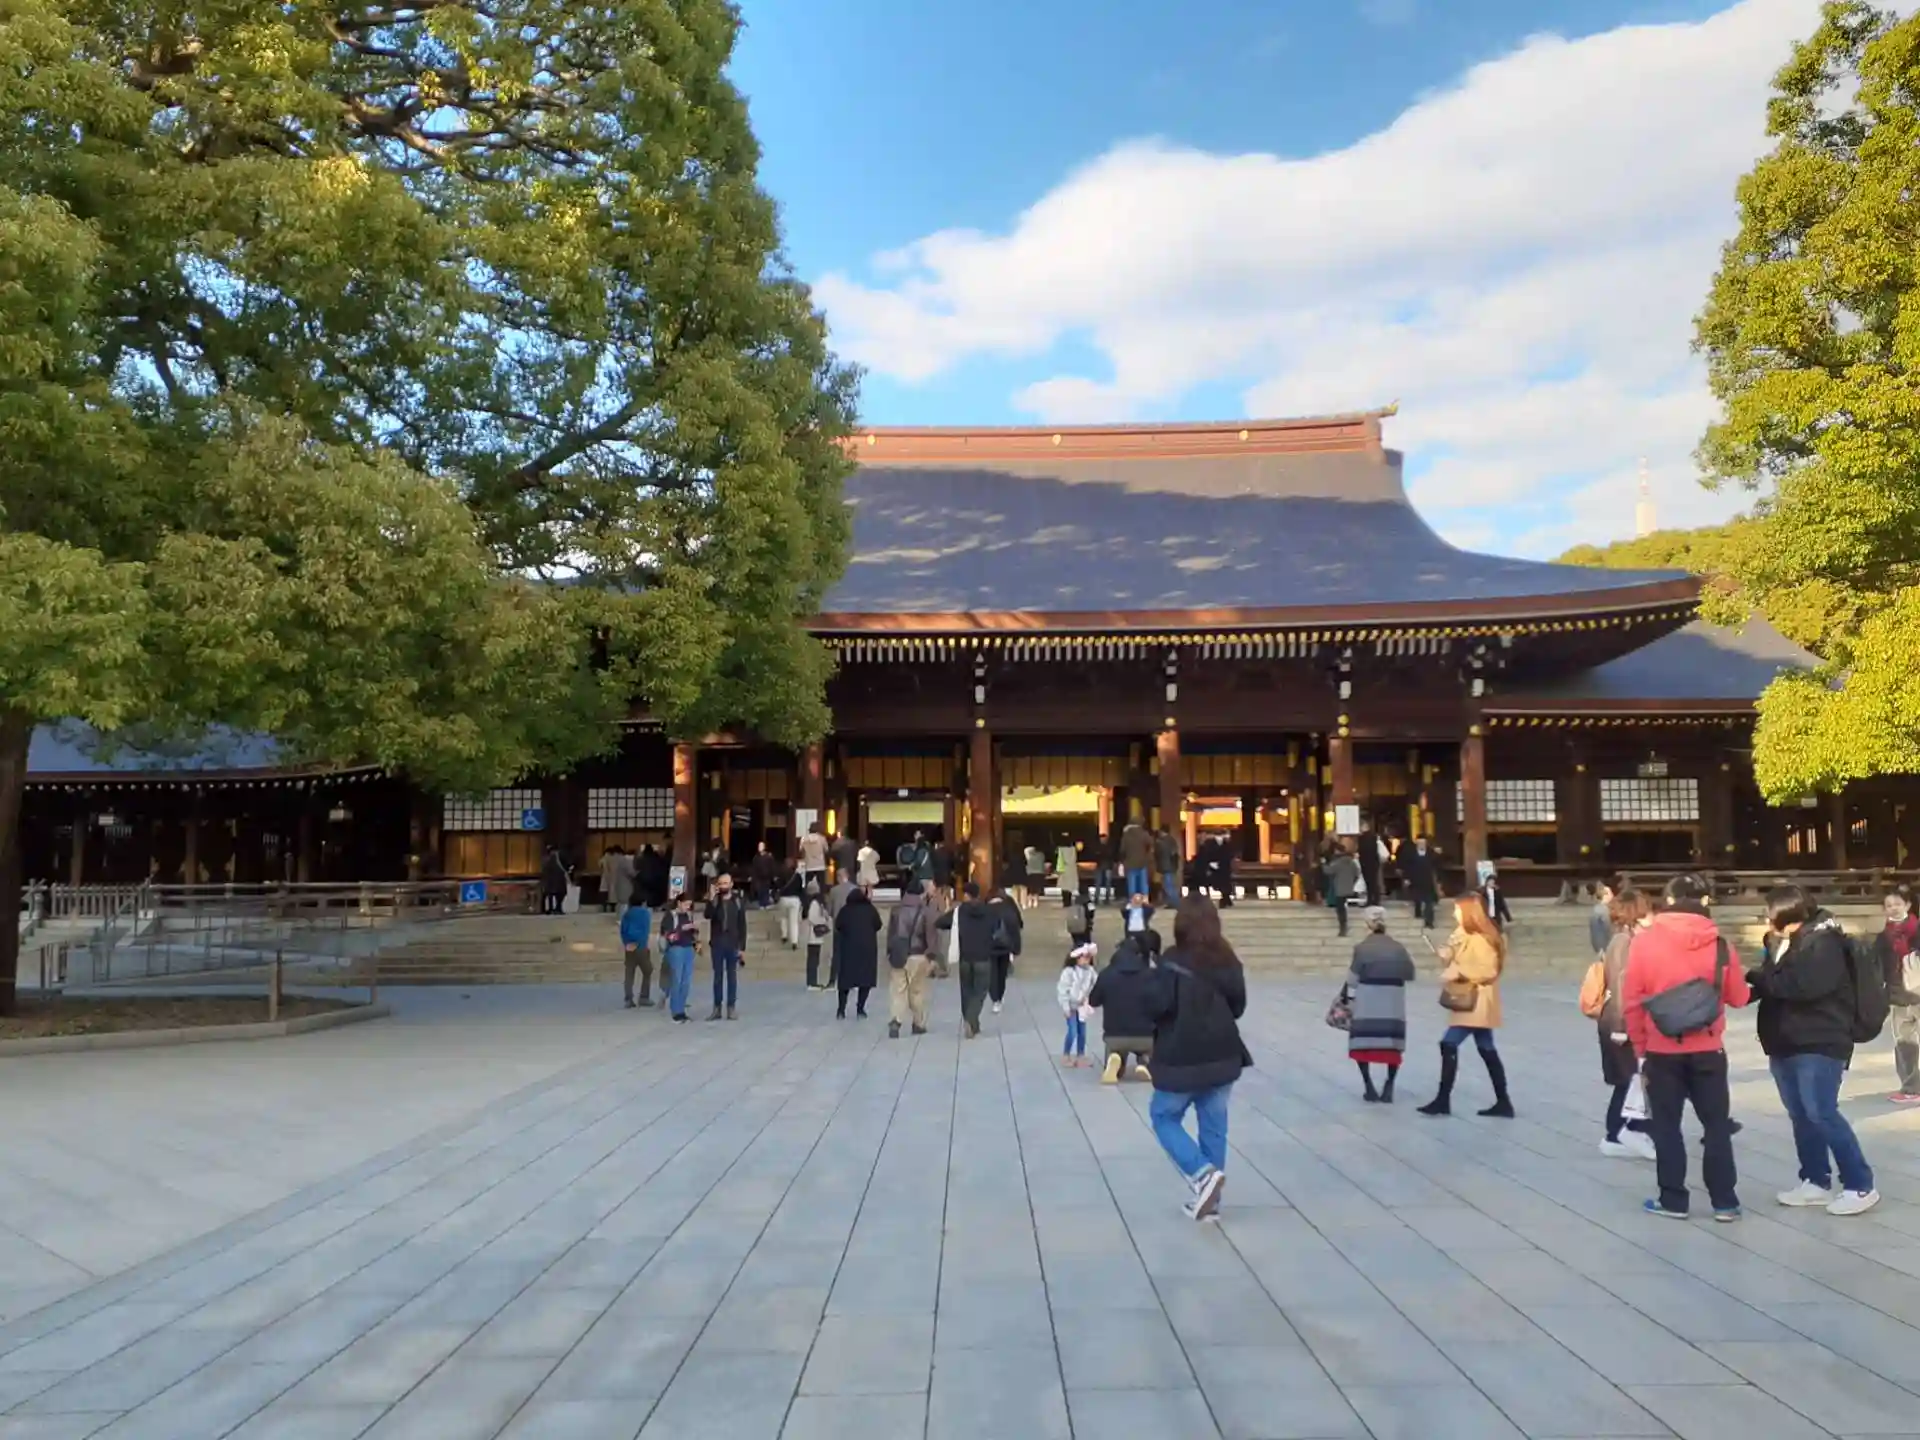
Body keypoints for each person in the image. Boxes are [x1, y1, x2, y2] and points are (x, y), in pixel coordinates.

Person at [1624, 874, 1750, 1220]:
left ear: (1667, 902)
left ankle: (1673, 1200)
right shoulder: (1720, 944)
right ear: (1704, 903)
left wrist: (1640, 1048)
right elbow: (1739, 996)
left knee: (1666, 1126)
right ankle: (1725, 1202)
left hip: (1661, 1049)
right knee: (1716, 1126)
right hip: (1709, 1048)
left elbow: (1632, 1002)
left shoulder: (1644, 943)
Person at [1748, 884, 1879, 1216]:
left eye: (1770, 914)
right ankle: (1815, 1180)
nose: (1766, 920)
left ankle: (1860, 1184)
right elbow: (1770, 981)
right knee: (1801, 1114)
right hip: (1784, 1040)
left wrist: (1753, 977)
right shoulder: (1781, 941)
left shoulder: (1824, 943)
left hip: (1820, 1040)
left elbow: (1802, 987)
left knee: (1822, 1112)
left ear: (1789, 915)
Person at [1142, 897, 1250, 1221]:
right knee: (1214, 1126)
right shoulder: (1228, 960)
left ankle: (1202, 1174)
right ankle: (1210, 1202)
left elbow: (1156, 1006)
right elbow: (1238, 1007)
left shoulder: (1171, 961)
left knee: (1163, 1115)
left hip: (1181, 1055)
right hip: (1223, 1053)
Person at [1417, 892, 1512, 1118]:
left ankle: (1443, 1100)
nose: (1455, 914)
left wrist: (1457, 971)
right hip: (1474, 999)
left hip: (1476, 998)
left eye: (1458, 910)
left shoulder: (1481, 938)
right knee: (1486, 1048)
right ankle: (1503, 1101)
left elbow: (1488, 970)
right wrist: (1447, 953)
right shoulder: (1464, 934)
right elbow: (1459, 954)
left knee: (1449, 1043)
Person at [1595, 889, 1656, 1159]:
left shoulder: (1624, 939)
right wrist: (1622, 1027)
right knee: (1632, 1078)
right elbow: (1622, 984)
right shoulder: (1624, 941)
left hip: (1621, 1019)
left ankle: (1620, 1131)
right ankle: (1621, 1132)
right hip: (1620, 1021)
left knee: (1630, 1079)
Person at [1347, 906, 1415, 1103]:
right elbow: (1410, 973)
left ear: (1367, 924)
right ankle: (1389, 1085)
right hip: (1393, 999)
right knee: (1392, 1045)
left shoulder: (1362, 948)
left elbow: (1352, 979)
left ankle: (1369, 1086)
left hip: (1368, 999)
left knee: (1362, 1044)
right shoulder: (1399, 947)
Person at [1090, 936, 1156, 1083]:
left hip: (1114, 1035)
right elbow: (1161, 1002)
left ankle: (1115, 1060)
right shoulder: (1150, 975)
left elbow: (1093, 1001)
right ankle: (1144, 1062)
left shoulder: (1106, 974)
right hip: (1145, 1035)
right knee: (1148, 1049)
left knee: (1116, 1049)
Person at [1876, 885, 1920, 1102]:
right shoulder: (1883, 937)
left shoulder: (1917, 930)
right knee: (1904, 1044)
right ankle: (1911, 1087)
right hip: (1898, 995)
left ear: (1908, 905)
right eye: (1889, 905)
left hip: (1918, 993)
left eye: (1898, 904)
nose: (1893, 908)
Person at [887, 878, 936, 1038]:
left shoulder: (896, 910)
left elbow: (891, 934)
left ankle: (896, 1020)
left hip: (899, 954)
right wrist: (932, 954)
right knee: (916, 991)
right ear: (921, 893)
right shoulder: (925, 911)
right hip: (919, 954)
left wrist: (890, 951)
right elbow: (931, 935)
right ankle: (918, 1023)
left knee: (898, 990)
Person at [951, 883, 998, 1038]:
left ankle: (971, 1022)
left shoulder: (960, 911)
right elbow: (997, 930)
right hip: (983, 957)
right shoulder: (990, 911)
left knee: (966, 991)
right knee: (980, 991)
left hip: (965, 957)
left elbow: (941, 922)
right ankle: (972, 1019)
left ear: (966, 895)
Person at [832, 884, 881, 1020]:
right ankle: (860, 1008)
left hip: (848, 949)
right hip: (867, 949)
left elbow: (838, 925)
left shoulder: (845, 910)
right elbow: (878, 925)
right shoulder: (870, 909)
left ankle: (841, 1010)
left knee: (845, 981)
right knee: (865, 980)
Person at [703, 872, 748, 1020]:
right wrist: (711, 899)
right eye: (720, 883)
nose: (723, 886)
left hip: (733, 943)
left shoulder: (737, 901)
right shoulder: (715, 900)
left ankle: (731, 1007)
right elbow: (707, 915)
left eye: (725, 883)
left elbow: (742, 925)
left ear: (731, 884)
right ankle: (717, 1008)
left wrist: (742, 947)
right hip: (717, 943)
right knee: (717, 977)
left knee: (732, 976)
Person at [659, 892, 699, 1022]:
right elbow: (669, 936)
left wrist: (695, 935)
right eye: (686, 904)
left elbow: (693, 934)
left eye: (689, 905)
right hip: (676, 949)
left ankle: (682, 1009)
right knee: (677, 980)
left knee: (686, 981)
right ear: (679, 903)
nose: (688, 907)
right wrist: (682, 928)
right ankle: (676, 1010)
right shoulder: (670, 916)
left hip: (688, 948)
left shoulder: (688, 915)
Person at [1058, 943, 1098, 1067]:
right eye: (1084, 957)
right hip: (1071, 1006)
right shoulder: (1069, 972)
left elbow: (1097, 983)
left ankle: (1081, 1055)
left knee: (1082, 1032)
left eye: (1089, 957)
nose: (1087, 960)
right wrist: (1065, 1007)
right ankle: (1066, 1054)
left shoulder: (1090, 971)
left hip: (1082, 1006)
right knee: (1072, 1031)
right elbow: (1063, 990)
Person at [987, 884, 1023, 1013]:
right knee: (1002, 974)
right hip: (1005, 947)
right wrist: (1016, 948)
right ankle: (1000, 997)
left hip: (989, 947)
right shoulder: (1009, 909)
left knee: (992, 974)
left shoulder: (985, 910)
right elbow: (1016, 927)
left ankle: (994, 998)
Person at [619, 895, 654, 1008]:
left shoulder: (627, 914)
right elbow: (645, 930)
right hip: (641, 946)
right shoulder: (645, 913)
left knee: (629, 972)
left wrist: (626, 943)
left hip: (629, 946)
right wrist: (641, 943)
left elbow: (623, 930)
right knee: (647, 970)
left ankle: (628, 998)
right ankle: (644, 997)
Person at [825, 868, 854, 990]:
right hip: (852, 926)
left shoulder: (834, 891)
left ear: (838, 877)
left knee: (837, 954)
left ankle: (832, 981)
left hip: (838, 925)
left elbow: (829, 910)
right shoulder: (854, 889)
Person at [1324, 843, 1360, 938]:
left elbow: (1328, 871)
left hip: (1340, 888)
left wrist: (1323, 863)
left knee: (1340, 909)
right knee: (1344, 906)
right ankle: (1344, 926)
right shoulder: (1352, 862)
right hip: (1349, 887)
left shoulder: (1338, 863)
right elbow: (1357, 874)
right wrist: (1352, 882)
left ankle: (1343, 927)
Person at [1400, 837, 1437, 929]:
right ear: (1416, 844)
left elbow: (1437, 865)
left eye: (1423, 843)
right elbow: (1407, 867)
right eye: (1419, 843)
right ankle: (1418, 912)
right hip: (1415, 880)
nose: (1421, 845)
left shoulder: (1431, 853)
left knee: (1429, 902)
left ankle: (1429, 921)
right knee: (1417, 899)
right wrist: (1406, 878)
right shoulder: (1411, 854)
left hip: (1428, 881)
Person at [802, 881, 830, 991]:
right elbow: (812, 918)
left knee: (814, 959)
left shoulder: (812, 903)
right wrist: (823, 920)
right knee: (813, 959)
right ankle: (812, 982)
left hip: (813, 936)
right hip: (813, 935)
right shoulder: (815, 903)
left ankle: (812, 981)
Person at [1120, 818, 1153, 901]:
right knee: (1143, 884)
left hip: (1130, 863)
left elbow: (1122, 850)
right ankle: (1144, 900)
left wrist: (1123, 860)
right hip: (1143, 862)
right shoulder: (1144, 834)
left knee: (1132, 884)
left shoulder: (1126, 835)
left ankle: (1133, 901)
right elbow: (1151, 844)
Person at [1477, 860, 1513, 932]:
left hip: (1496, 917)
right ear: (1487, 882)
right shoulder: (1482, 892)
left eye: (1493, 881)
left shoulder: (1497, 892)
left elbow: (1502, 905)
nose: (1492, 883)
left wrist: (1508, 917)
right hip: (1486, 917)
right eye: (1490, 881)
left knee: (1497, 932)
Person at [1590, 879, 1618, 961]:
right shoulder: (1603, 911)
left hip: (1602, 947)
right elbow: (1606, 930)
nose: (1612, 895)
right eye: (1610, 893)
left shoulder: (1597, 909)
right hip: (1605, 947)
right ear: (1605, 895)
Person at [1155, 828, 1182, 910]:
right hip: (1171, 866)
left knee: (1168, 885)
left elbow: (1160, 853)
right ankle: (1172, 902)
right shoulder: (1172, 840)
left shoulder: (1162, 842)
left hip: (1166, 866)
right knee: (1169, 885)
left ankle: (1176, 902)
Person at [798, 823, 829, 891]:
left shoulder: (803, 839)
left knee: (808, 887)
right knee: (821, 887)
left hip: (809, 866)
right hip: (820, 866)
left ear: (809, 830)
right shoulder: (822, 838)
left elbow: (801, 851)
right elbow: (826, 851)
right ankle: (820, 897)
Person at [541, 847, 570, 915]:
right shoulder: (553, 858)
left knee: (552, 895)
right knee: (557, 894)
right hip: (556, 879)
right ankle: (556, 908)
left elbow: (544, 870)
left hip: (552, 880)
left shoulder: (546, 859)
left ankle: (552, 908)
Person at [930, 839, 956, 912]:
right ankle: (948, 906)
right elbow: (953, 863)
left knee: (939, 891)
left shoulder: (935, 853)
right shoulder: (949, 852)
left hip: (938, 875)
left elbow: (932, 864)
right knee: (947, 890)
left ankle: (940, 906)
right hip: (947, 874)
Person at [1055, 837, 1080, 908]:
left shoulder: (1061, 849)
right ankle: (1069, 901)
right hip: (1072, 869)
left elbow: (1060, 860)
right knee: (1070, 886)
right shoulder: (1073, 850)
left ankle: (1065, 901)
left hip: (1064, 869)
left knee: (1064, 887)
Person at [1024, 840, 1048, 911]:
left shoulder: (1029, 856)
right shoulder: (1041, 855)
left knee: (1030, 888)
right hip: (1039, 872)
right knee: (1037, 888)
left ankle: (1030, 902)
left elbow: (1026, 850)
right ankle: (1035, 902)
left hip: (1031, 873)